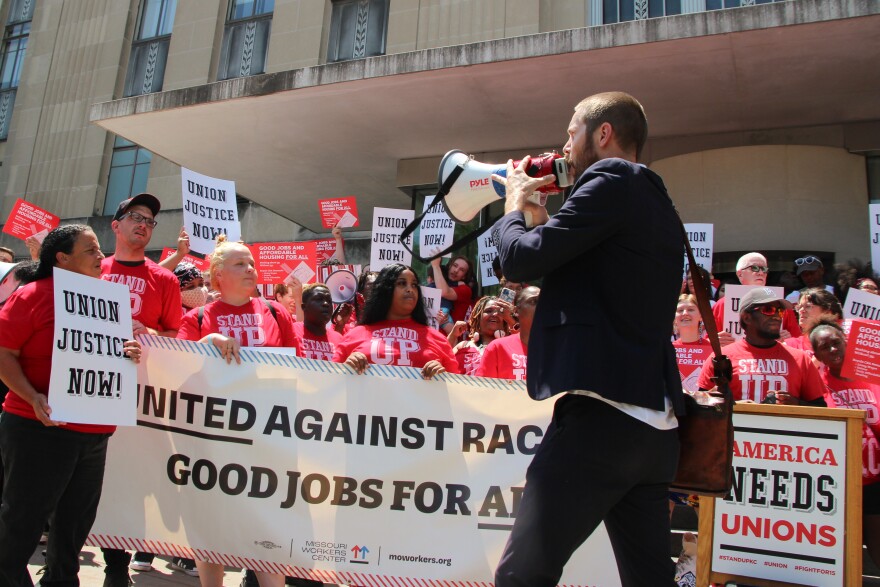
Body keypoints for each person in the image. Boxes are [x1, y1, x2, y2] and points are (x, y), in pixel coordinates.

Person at [491, 91, 684, 586]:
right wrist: (540, 223)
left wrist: (514, 206)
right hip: (653, 431)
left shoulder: (611, 177)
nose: (565, 146)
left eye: (572, 131)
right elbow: (577, 269)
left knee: (522, 575)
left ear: (603, 134)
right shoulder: (656, 198)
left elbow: (519, 261)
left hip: (603, 421)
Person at [0, 225, 142, 586]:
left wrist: (127, 352)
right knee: (24, 522)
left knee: (76, 524)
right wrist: (32, 397)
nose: (101, 256)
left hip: (94, 433)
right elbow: (3, 352)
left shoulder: (108, 301)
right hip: (39, 429)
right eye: (91, 250)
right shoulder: (32, 295)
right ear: (62, 258)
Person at [177, 236, 297, 587]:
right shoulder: (198, 318)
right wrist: (208, 341)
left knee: (265, 526)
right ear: (217, 277)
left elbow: (300, 370)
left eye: (251, 263)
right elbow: (176, 369)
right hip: (213, 440)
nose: (250, 270)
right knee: (211, 528)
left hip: (266, 441)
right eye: (239, 264)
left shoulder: (277, 313)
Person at [100, 192, 182, 583]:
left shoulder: (164, 279)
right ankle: (101, 562)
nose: (144, 224)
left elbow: (174, 336)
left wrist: (149, 335)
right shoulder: (90, 270)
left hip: (142, 397)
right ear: (115, 225)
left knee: (131, 481)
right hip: (92, 392)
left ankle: (120, 566)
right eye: (135, 216)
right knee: (91, 481)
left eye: (150, 220)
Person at [810, 319, 880, 566]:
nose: (832, 350)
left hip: (875, 481)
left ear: (847, 342)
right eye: (824, 347)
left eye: (836, 343)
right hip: (838, 486)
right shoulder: (817, 385)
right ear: (816, 354)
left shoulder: (874, 379)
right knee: (840, 555)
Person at [698, 287, 826, 405]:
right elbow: (701, 405)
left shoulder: (801, 359)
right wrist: (736, 405)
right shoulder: (720, 359)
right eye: (768, 310)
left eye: (780, 311)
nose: (777, 316)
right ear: (747, 317)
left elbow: (821, 409)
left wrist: (795, 404)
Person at [333, 263, 458, 378]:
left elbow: (458, 391)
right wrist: (346, 368)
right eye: (402, 283)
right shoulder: (355, 335)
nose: (410, 289)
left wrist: (443, 378)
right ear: (385, 290)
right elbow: (330, 383)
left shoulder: (437, 339)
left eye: (414, 285)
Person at [712, 252, 800, 344]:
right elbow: (706, 340)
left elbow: (798, 339)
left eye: (764, 269)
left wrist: (789, 339)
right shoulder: (722, 304)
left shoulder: (780, 303)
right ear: (740, 274)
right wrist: (714, 341)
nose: (761, 273)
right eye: (754, 268)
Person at [476, 286, 539, 381]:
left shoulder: (557, 349)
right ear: (517, 311)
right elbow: (483, 391)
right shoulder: (497, 347)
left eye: (544, 301)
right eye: (534, 301)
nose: (542, 305)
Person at [447, 296, 512, 376]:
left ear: (505, 321)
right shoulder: (463, 346)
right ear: (478, 318)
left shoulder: (510, 348)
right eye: (489, 311)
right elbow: (440, 358)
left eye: (500, 312)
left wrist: (512, 321)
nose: (495, 314)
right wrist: (453, 335)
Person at [671, 294, 712, 392]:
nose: (685, 313)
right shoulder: (669, 350)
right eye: (680, 310)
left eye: (691, 309)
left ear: (701, 316)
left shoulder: (712, 350)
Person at [784, 288, 843, 353]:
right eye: (799, 307)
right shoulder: (789, 345)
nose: (801, 311)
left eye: (808, 306)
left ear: (828, 312)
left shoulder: (845, 344)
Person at [293, 284, 342, 361]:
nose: (326, 304)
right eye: (319, 299)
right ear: (304, 307)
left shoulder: (339, 339)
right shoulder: (292, 331)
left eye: (329, 301)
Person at [429, 255, 473, 331]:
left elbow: (444, 292)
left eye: (461, 270)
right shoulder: (438, 282)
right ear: (449, 266)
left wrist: (436, 265)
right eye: (454, 266)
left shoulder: (465, 289)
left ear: (464, 277)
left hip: (447, 339)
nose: (456, 270)